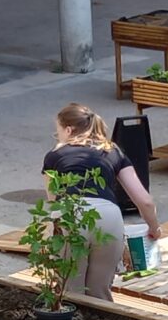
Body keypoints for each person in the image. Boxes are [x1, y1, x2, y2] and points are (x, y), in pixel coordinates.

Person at [42, 103, 159, 300]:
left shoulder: (55, 155)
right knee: (100, 292)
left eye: (58, 131)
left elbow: (53, 199)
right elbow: (145, 201)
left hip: (70, 213)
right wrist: (154, 228)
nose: (58, 137)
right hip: (108, 216)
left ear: (68, 130)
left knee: (68, 291)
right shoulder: (113, 151)